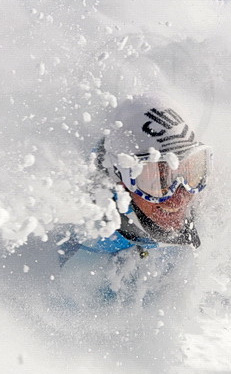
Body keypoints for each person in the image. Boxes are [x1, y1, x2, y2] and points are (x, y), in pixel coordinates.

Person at [60, 94, 211, 265]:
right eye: (159, 182)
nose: (178, 199)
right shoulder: (91, 238)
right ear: (121, 180)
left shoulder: (215, 202)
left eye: (191, 173)